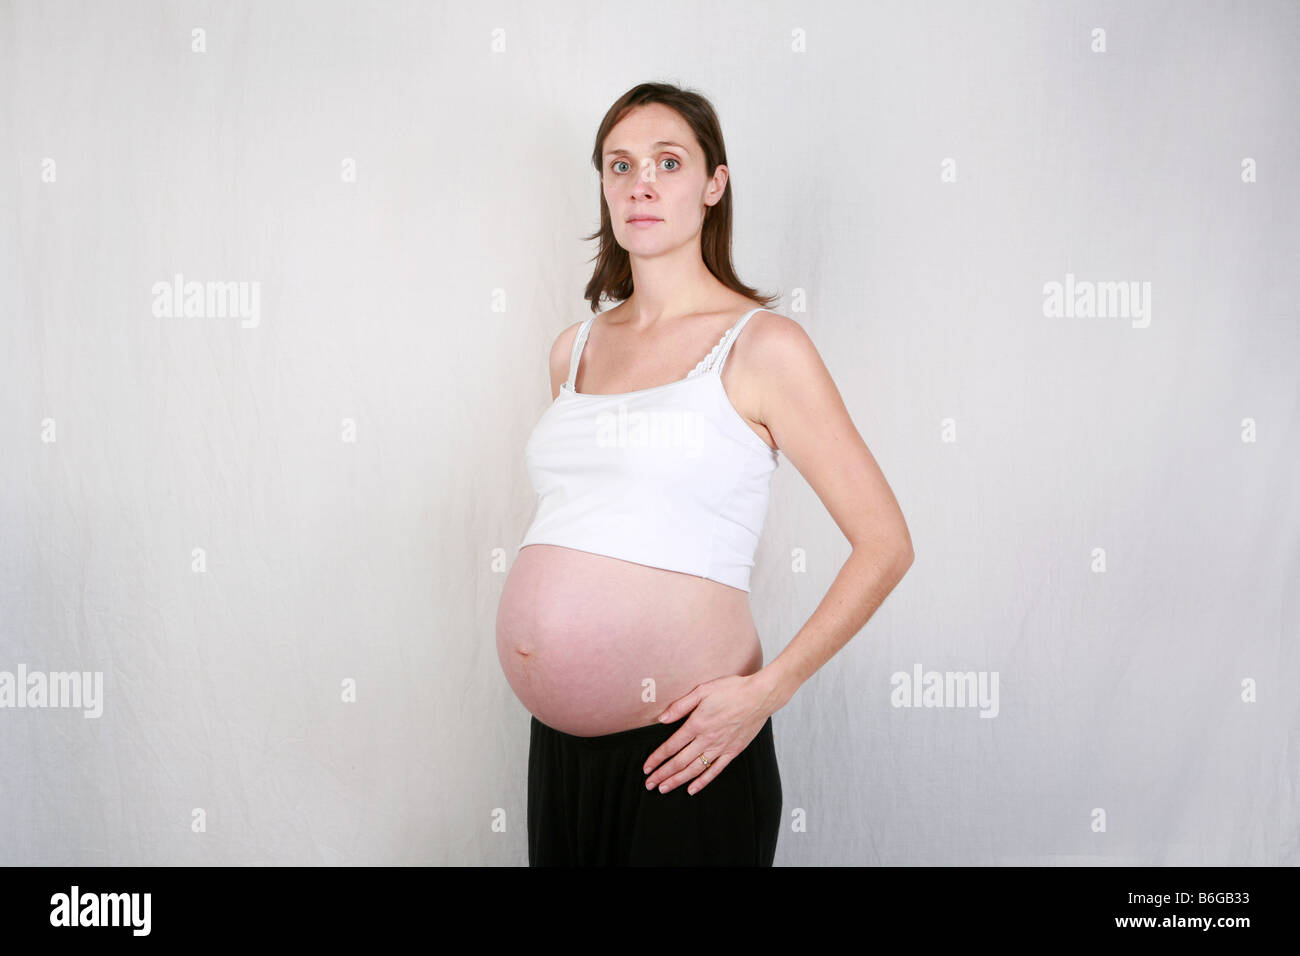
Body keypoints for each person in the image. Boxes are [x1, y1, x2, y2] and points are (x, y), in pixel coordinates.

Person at [495, 81, 914, 866]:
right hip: (557, 756)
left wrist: (767, 691)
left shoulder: (762, 347)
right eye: (619, 166)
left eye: (668, 162)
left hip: (690, 753)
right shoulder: (571, 349)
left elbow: (885, 543)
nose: (641, 182)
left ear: (713, 185)